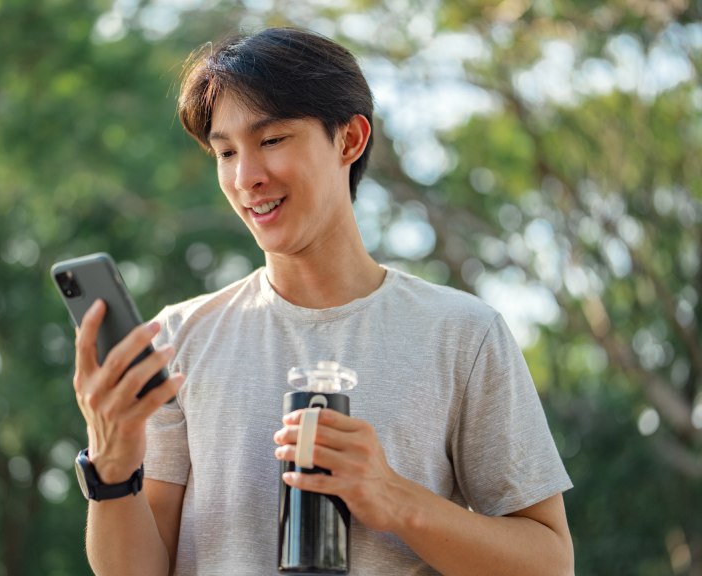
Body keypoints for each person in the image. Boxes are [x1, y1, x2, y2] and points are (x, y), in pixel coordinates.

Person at [70, 27, 574, 575]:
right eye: (226, 152)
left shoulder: (463, 334)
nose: (247, 178)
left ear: (350, 140)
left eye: (272, 141)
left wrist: (394, 499)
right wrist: (112, 470)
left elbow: (549, 563)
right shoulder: (178, 342)